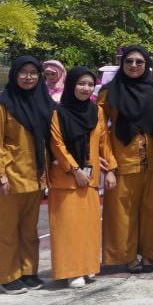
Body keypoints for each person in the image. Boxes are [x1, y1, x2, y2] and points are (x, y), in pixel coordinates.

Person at [0, 57, 54, 294]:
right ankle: (8, 275)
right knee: (7, 230)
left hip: (35, 177)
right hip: (11, 177)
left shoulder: (43, 104)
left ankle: (28, 271)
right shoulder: (2, 106)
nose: (28, 77)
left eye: (33, 72)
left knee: (29, 230)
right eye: (23, 72)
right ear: (14, 75)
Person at [48, 67, 114, 288]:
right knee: (67, 226)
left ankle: (87, 266)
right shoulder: (58, 113)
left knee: (88, 226)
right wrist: (75, 170)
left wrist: (111, 169)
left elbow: (104, 142)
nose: (86, 88)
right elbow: (57, 145)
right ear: (71, 85)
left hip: (90, 179)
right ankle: (71, 271)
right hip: (66, 179)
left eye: (90, 84)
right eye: (81, 84)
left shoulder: (97, 112)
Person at [99, 46, 153, 273]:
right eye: (129, 61)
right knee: (122, 212)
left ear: (147, 65)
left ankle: (148, 254)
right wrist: (108, 163)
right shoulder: (110, 91)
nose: (134, 66)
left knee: (151, 210)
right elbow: (99, 129)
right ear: (122, 64)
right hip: (122, 158)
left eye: (139, 62)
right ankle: (127, 256)